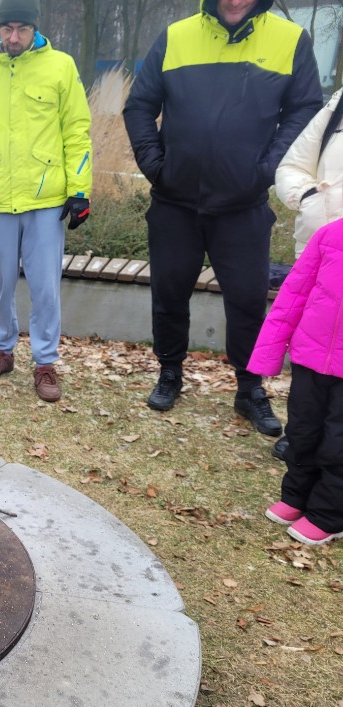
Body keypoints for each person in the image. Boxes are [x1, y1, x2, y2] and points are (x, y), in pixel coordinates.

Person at [123, 0, 321, 435]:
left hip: (243, 205)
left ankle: (250, 388)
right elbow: (139, 106)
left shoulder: (291, 40)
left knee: (248, 301)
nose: (234, 1)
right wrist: (156, 165)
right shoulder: (176, 36)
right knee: (169, 293)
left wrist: (266, 169)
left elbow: (305, 111)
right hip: (174, 202)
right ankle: (170, 372)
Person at [0, 0, 91, 402]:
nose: (14, 37)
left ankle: (45, 362)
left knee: (45, 286)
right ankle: (3, 349)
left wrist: (79, 191)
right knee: (1, 284)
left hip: (46, 201)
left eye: (22, 29)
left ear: (35, 29)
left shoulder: (61, 67)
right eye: (7, 29)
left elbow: (77, 131)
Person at [246, 218, 343, 545]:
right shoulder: (330, 234)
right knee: (302, 431)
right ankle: (297, 496)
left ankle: (329, 515)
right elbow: (294, 294)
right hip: (310, 358)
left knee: (338, 444)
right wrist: (268, 353)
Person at [270, 88, 343, 460]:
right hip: (320, 252)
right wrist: (310, 198)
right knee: (312, 350)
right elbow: (292, 166)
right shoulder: (339, 103)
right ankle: (303, 434)